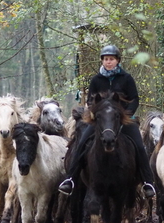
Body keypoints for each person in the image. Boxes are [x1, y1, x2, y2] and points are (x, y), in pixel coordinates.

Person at [58, 45, 156, 198]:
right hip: (101, 121)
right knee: (81, 142)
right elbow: (90, 100)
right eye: (106, 59)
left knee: (139, 146)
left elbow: (134, 99)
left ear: (117, 60)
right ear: (102, 61)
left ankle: (147, 182)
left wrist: (126, 115)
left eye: (111, 59)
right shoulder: (96, 80)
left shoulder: (127, 78)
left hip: (122, 119)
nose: (108, 62)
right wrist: (96, 115)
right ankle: (70, 179)